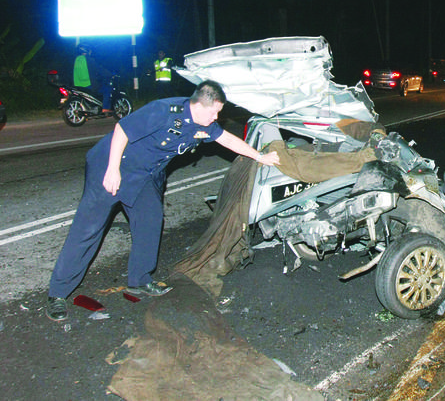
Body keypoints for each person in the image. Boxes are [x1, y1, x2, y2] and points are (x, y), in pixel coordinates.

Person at [45, 80, 281, 321]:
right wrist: (113, 169)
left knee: (150, 220)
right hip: (112, 165)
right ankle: (58, 293)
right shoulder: (164, 111)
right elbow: (122, 130)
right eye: (215, 111)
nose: (217, 116)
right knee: (88, 229)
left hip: (146, 174)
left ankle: (140, 280)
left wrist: (260, 157)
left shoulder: (205, 123)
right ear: (199, 105)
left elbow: (227, 140)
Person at [74, 44, 113, 112]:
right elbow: (99, 69)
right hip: (88, 84)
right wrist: (110, 74)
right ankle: (105, 108)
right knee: (107, 89)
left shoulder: (77, 60)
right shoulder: (89, 59)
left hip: (78, 84)